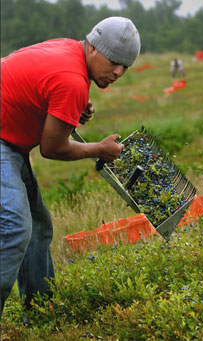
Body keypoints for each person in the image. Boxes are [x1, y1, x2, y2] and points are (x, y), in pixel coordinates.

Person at [0, 16, 141, 317]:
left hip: (9, 140)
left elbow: (45, 90)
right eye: (114, 61)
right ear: (93, 48)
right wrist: (99, 150)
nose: (118, 71)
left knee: (37, 227)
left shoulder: (68, 50)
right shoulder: (72, 80)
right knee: (15, 227)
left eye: (125, 66)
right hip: (2, 141)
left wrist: (72, 107)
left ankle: (40, 312)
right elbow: (52, 149)